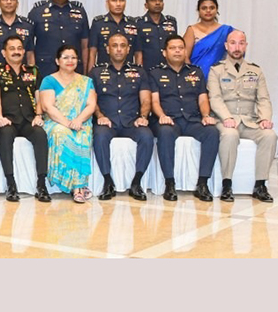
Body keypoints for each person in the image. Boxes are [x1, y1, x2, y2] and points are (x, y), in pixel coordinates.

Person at [207, 30, 277, 202]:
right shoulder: (216, 70)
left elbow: (263, 98)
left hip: (248, 120)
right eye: (233, 43)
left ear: (246, 45)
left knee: (270, 136)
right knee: (230, 135)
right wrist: (226, 118)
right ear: (226, 45)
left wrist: (265, 119)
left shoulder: (255, 71)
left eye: (241, 43)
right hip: (225, 120)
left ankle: (260, 185)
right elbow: (214, 98)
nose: (237, 47)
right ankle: (227, 184)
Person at [149, 35, 220, 201]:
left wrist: (205, 116)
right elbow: (154, 101)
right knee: (165, 133)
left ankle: (202, 183)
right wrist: (162, 116)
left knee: (212, 132)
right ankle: (170, 183)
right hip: (169, 120)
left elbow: (203, 98)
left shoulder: (196, 72)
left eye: (181, 48)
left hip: (192, 120)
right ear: (164, 52)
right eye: (173, 48)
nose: (177, 51)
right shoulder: (155, 73)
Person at [88, 33, 154, 201]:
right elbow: (91, 99)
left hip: (131, 122)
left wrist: (143, 116)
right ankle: (108, 182)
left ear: (128, 49)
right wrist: (100, 115)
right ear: (107, 49)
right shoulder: (95, 72)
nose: (118, 49)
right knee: (100, 137)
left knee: (147, 136)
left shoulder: (139, 72)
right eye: (114, 45)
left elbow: (146, 99)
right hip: (106, 121)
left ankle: (136, 182)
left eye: (122, 45)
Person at [0, 35, 50, 203]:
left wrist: (38, 115)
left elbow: (39, 97)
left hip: (29, 119)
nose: (16, 52)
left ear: (24, 51)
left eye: (19, 48)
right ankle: (11, 184)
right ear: (3, 52)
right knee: (5, 135)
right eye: (12, 49)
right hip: (8, 120)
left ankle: (42, 184)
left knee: (40, 135)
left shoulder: (33, 71)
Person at [38, 44, 97, 203]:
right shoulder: (49, 80)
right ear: (57, 61)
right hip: (55, 122)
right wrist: (67, 123)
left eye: (73, 57)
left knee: (82, 135)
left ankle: (78, 187)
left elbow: (91, 105)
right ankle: (75, 186)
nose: (70, 61)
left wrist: (78, 120)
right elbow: (47, 107)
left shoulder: (86, 81)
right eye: (65, 57)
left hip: (80, 121)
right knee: (62, 133)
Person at [28, 0, 90, 78]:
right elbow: (29, 47)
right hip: (45, 69)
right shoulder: (37, 12)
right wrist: (32, 73)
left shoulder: (79, 11)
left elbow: (85, 46)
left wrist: (85, 73)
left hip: (74, 70)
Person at [88, 0, 139, 72]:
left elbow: (138, 53)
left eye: (121, 0)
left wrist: (138, 73)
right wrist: (90, 77)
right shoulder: (98, 23)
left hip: (128, 74)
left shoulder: (133, 24)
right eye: (114, 0)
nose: (118, 4)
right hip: (103, 73)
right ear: (107, 3)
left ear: (125, 2)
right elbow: (92, 53)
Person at [183, 0, 233, 78]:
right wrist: (192, 75)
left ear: (217, 10)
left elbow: (238, 49)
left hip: (219, 77)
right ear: (198, 10)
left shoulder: (225, 30)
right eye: (204, 8)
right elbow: (184, 56)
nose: (208, 11)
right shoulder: (192, 30)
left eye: (212, 8)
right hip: (196, 77)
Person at [135, 0, 179, 71]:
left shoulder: (171, 22)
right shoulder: (139, 23)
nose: (157, 3)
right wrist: (140, 73)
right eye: (153, 0)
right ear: (146, 5)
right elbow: (138, 52)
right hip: (148, 71)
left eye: (160, 0)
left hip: (169, 70)